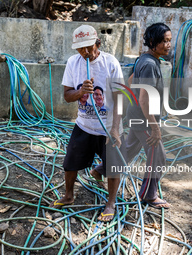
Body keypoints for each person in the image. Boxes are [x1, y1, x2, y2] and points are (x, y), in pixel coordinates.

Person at [49, 24, 124, 222]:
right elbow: (67, 95)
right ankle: (69, 195)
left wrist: (115, 128)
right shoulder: (73, 63)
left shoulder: (110, 63)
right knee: (70, 162)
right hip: (84, 125)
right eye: (80, 48)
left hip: (108, 127)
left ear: (97, 43)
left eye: (88, 47)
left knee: (113, 166)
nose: (85, 52)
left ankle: (111, 203)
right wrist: (81, 92)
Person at [125, 23, 172, 209]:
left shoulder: (143, 59)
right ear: (152, 42)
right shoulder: (150, 64)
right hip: (144, 120)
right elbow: (144, 98)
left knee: (127, 150)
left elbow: (130, 81)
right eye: (164, 41)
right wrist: (154, 126)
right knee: (158, 157)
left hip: (136, 116)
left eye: (169, 40)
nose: (168, 45)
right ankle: (149, 196)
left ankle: (100, 170)